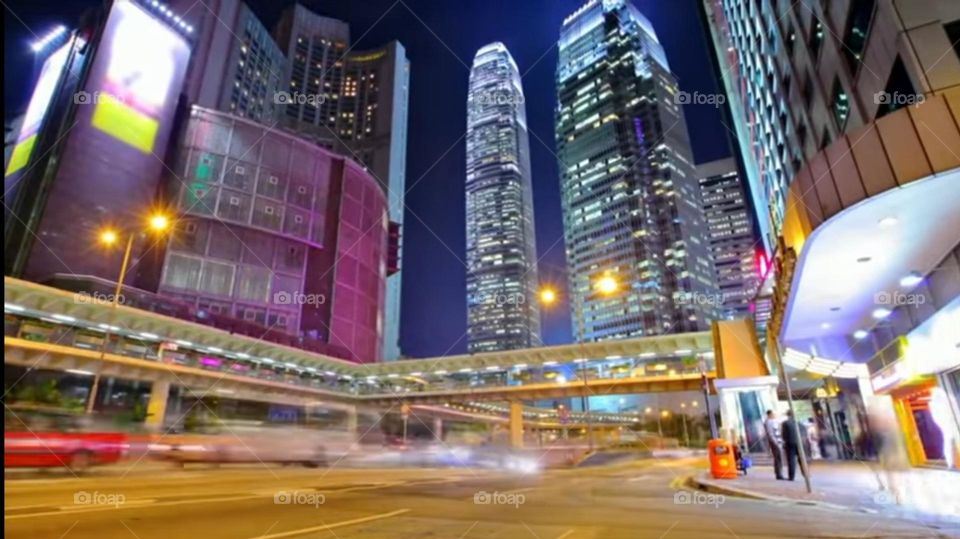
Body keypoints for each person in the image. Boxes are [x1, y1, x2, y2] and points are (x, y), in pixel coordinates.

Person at [781, 410, 807, 481]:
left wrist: (785, 441)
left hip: (790, 443)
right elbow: (804, 434)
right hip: (800, 443)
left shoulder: (785, 423)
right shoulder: (800, 424)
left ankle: (791, 476)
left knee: (791, 460)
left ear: (788, 415)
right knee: (802, 459)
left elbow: (784, 435)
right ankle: (805, 474)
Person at [764, 409, 784, 480]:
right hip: (775, 443)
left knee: (778, 458)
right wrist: (776, 443)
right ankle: (779, 474)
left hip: (777, 442)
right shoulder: (768, 422)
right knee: (778, 458)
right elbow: (770, 434)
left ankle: (779, 473)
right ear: (769, 414)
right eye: (773, 414)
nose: (774, 415)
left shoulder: (773, 421)